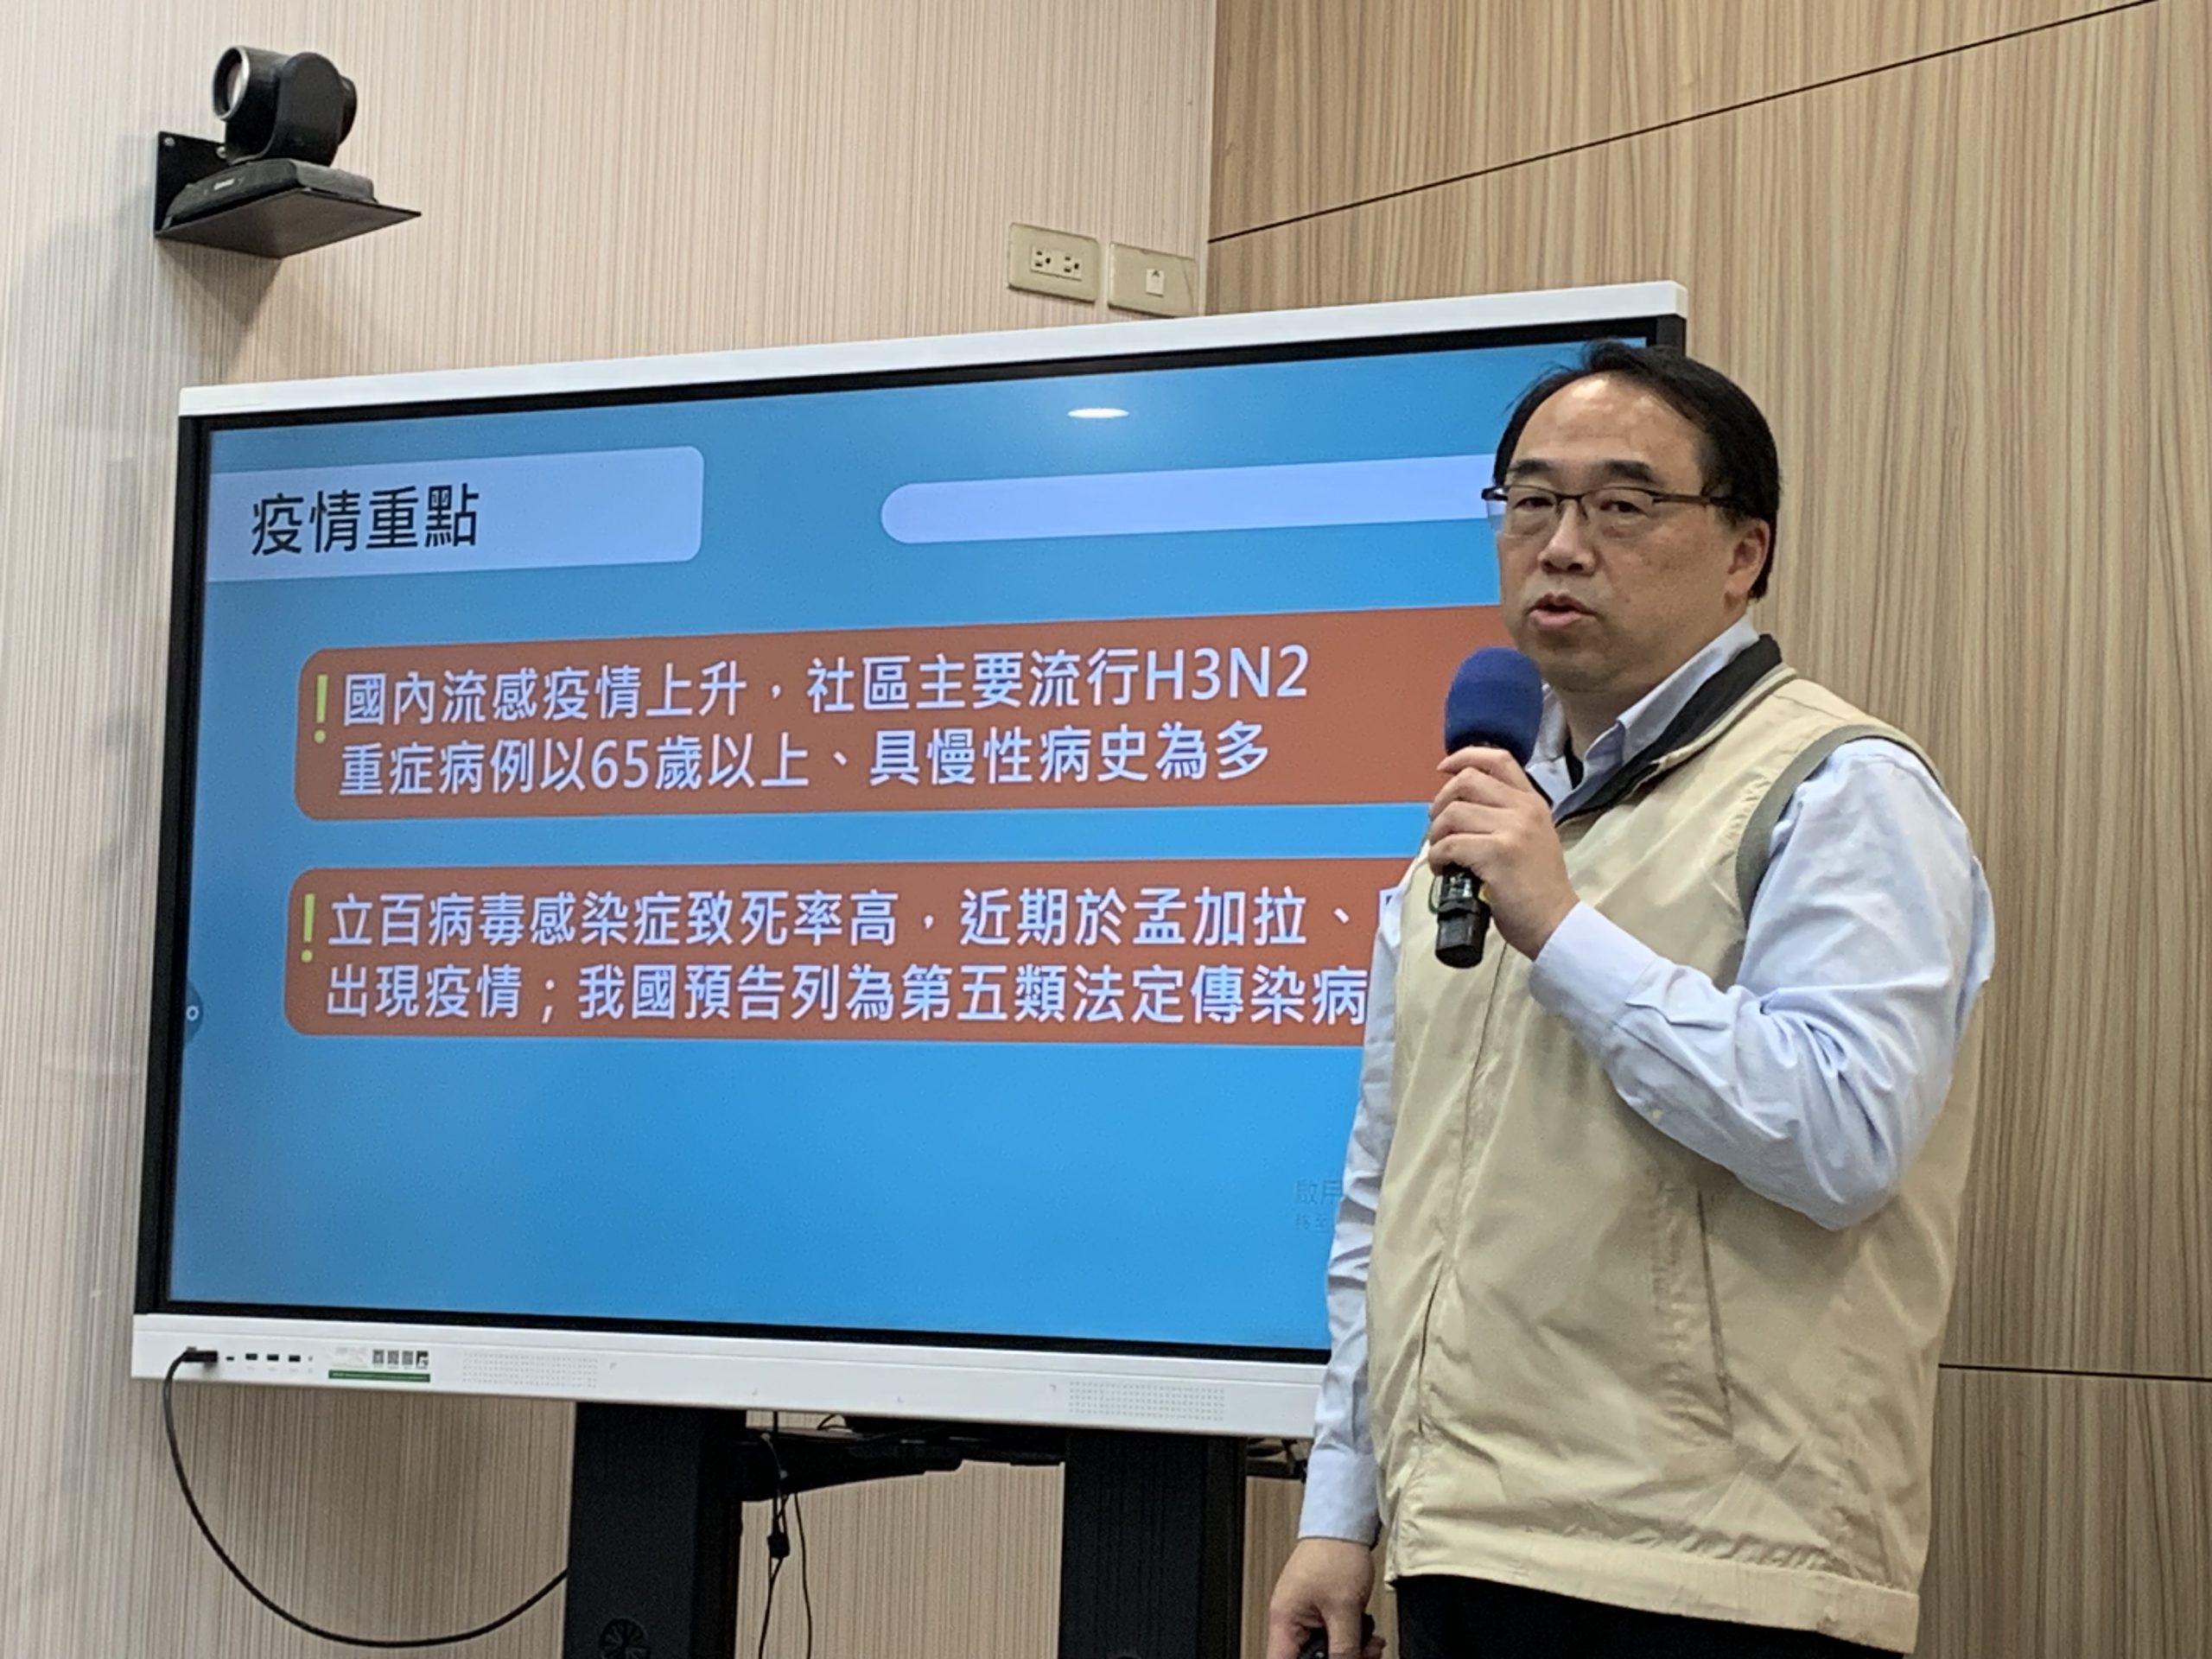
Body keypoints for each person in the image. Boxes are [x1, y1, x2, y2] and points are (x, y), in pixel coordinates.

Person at [1265, 342, 1995, 1659]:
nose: (1562, 546)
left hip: (1713, 1571)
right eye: (1532, 503)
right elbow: (1391, 1193)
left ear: (1743, 553)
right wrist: (1343, 1503)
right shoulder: (1477, 831)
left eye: (1622, 504)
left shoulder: (1842, 791)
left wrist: (1563, 931)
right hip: (1463, 1538)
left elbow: (1843, 1136)